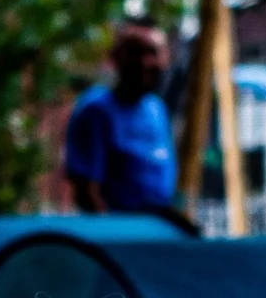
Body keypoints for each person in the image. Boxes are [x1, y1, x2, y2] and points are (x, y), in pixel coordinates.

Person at [63, 23, 179, 216]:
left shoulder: (156, 109)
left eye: (153, 52)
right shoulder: (96, 111)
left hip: (158, 227)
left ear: (165, 58)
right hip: (118, 229)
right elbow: (86, 192)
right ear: (116, 58)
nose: (144, 62)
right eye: (135, 52)